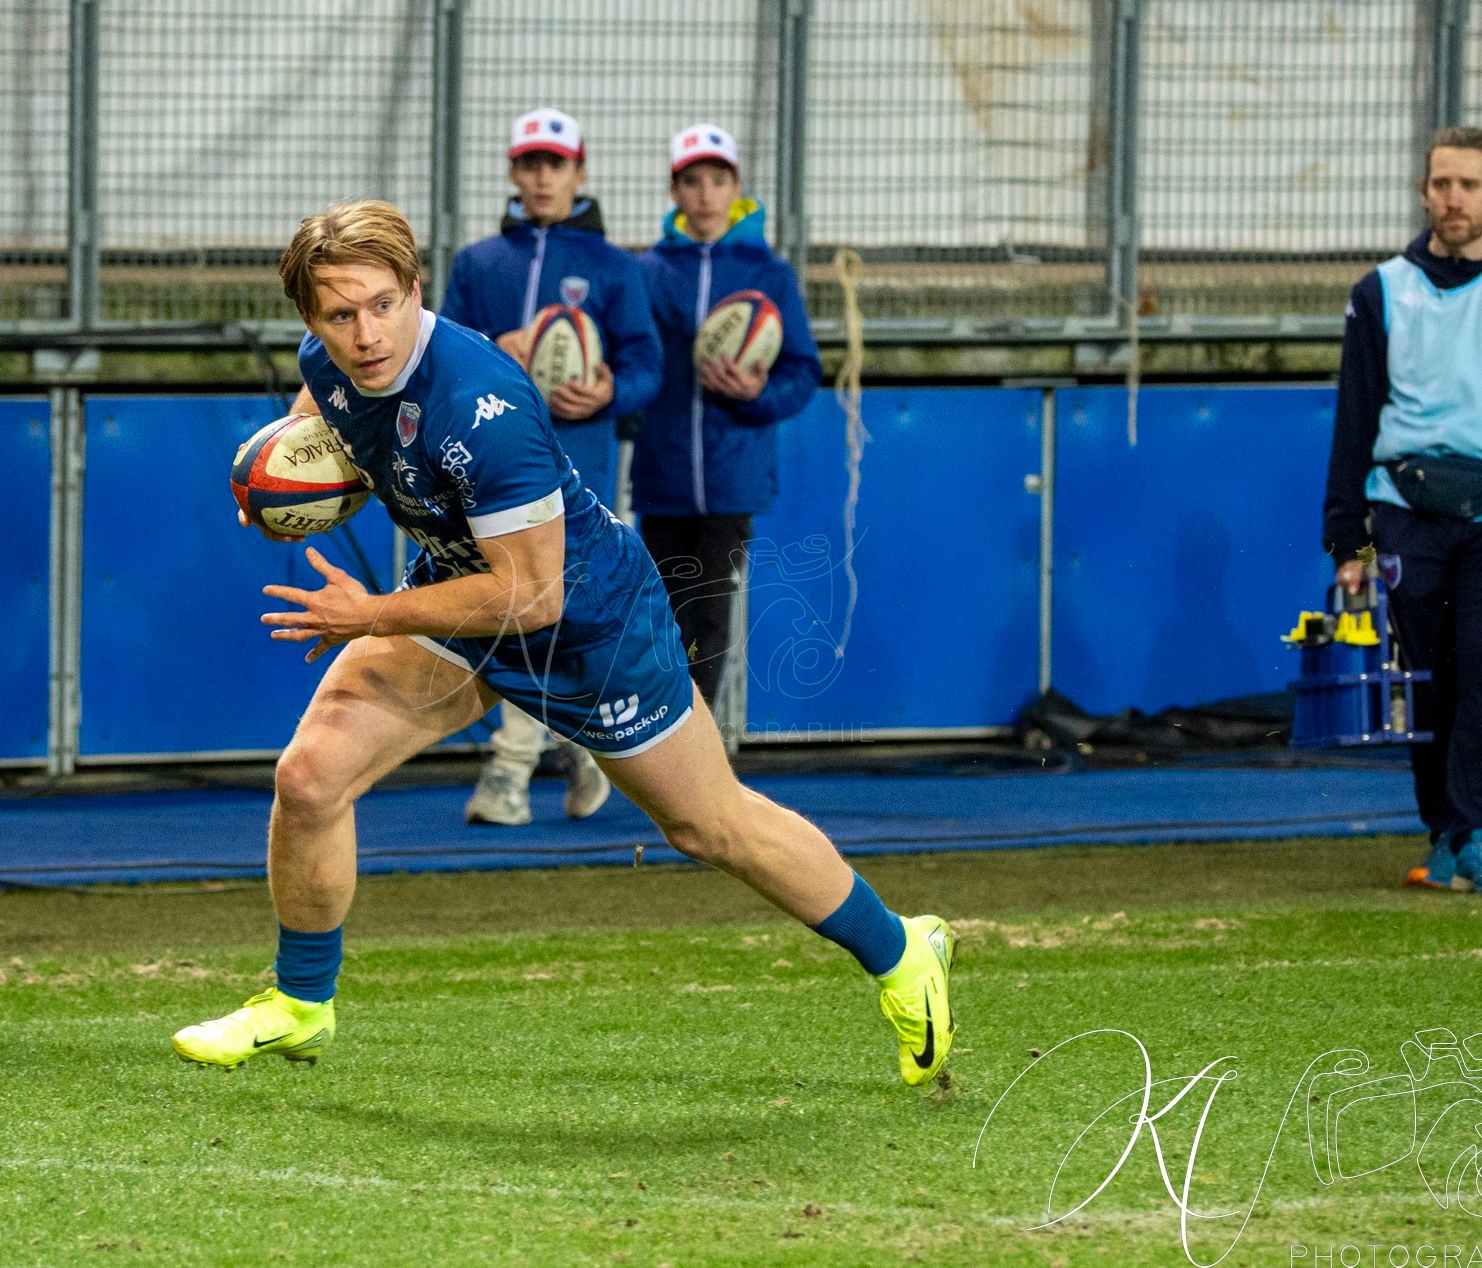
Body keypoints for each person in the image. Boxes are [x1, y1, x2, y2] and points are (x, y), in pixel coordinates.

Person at [171, 200, 956, 1087]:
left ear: (416, 289)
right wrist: (283, 474)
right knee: (309, 778)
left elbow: (532, 597)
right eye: (340, 315)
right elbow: (326, 412)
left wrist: (374, 615)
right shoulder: (330, 359)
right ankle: (298, 1009)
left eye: (384, 304)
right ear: (311, 320)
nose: (365, 334)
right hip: (462, 595)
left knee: (710, 827)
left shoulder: (479, 406)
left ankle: (903, 951)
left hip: (589, 624)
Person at [1322, 126, 1482, 897]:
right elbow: (1355, 417)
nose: (1453, 198)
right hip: (1406, 509)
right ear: (1424, 191)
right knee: (1433, 678)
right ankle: (1444, 833)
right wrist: (1345, 540)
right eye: (1440, 184)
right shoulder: (1380, 291)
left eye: (1468, 184)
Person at [440, 107, 664, 827]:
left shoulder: (613, 267)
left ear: (580, 171)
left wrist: (608, 390)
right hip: (488, 474)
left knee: (552, 616)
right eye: (530, 163)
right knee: (514, 613)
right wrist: (492, 349)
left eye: (556, 164)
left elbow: (645, 366)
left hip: (583, 470)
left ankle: (514, 768)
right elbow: (439, 357)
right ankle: (579, 755)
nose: (542, 177)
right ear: (512, 172)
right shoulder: (478, 264)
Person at [632, 124, 822, 710]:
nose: (706, 195)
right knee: (663, 614)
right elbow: (635, 361)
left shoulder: (770, 274)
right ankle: (661, 740)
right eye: (693, 182)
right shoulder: (649, 271)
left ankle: (701, 744)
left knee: (711, 615)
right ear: (674, 190)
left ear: (737, 186)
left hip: (731, 476)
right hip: (662, 477)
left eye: (718, 180)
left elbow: (802, 372)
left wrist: (754, 393)